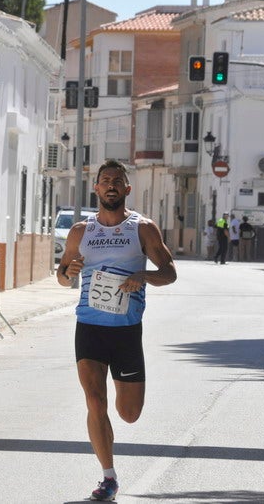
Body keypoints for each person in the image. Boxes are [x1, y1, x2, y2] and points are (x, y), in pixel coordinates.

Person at [57, 159, 177, 502]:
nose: (110, 185)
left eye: (117, 180)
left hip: (126, 331)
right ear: (95, 189)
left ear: (126, 189)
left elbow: (169, 273)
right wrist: (70, 271)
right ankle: (108, 477)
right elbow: (63, 276)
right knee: (95, 401)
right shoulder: (81, 231)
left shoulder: (143, 228)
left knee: (129, 413)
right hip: (90, 326)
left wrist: (143, 276)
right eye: (104, 180)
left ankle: (113, 455)